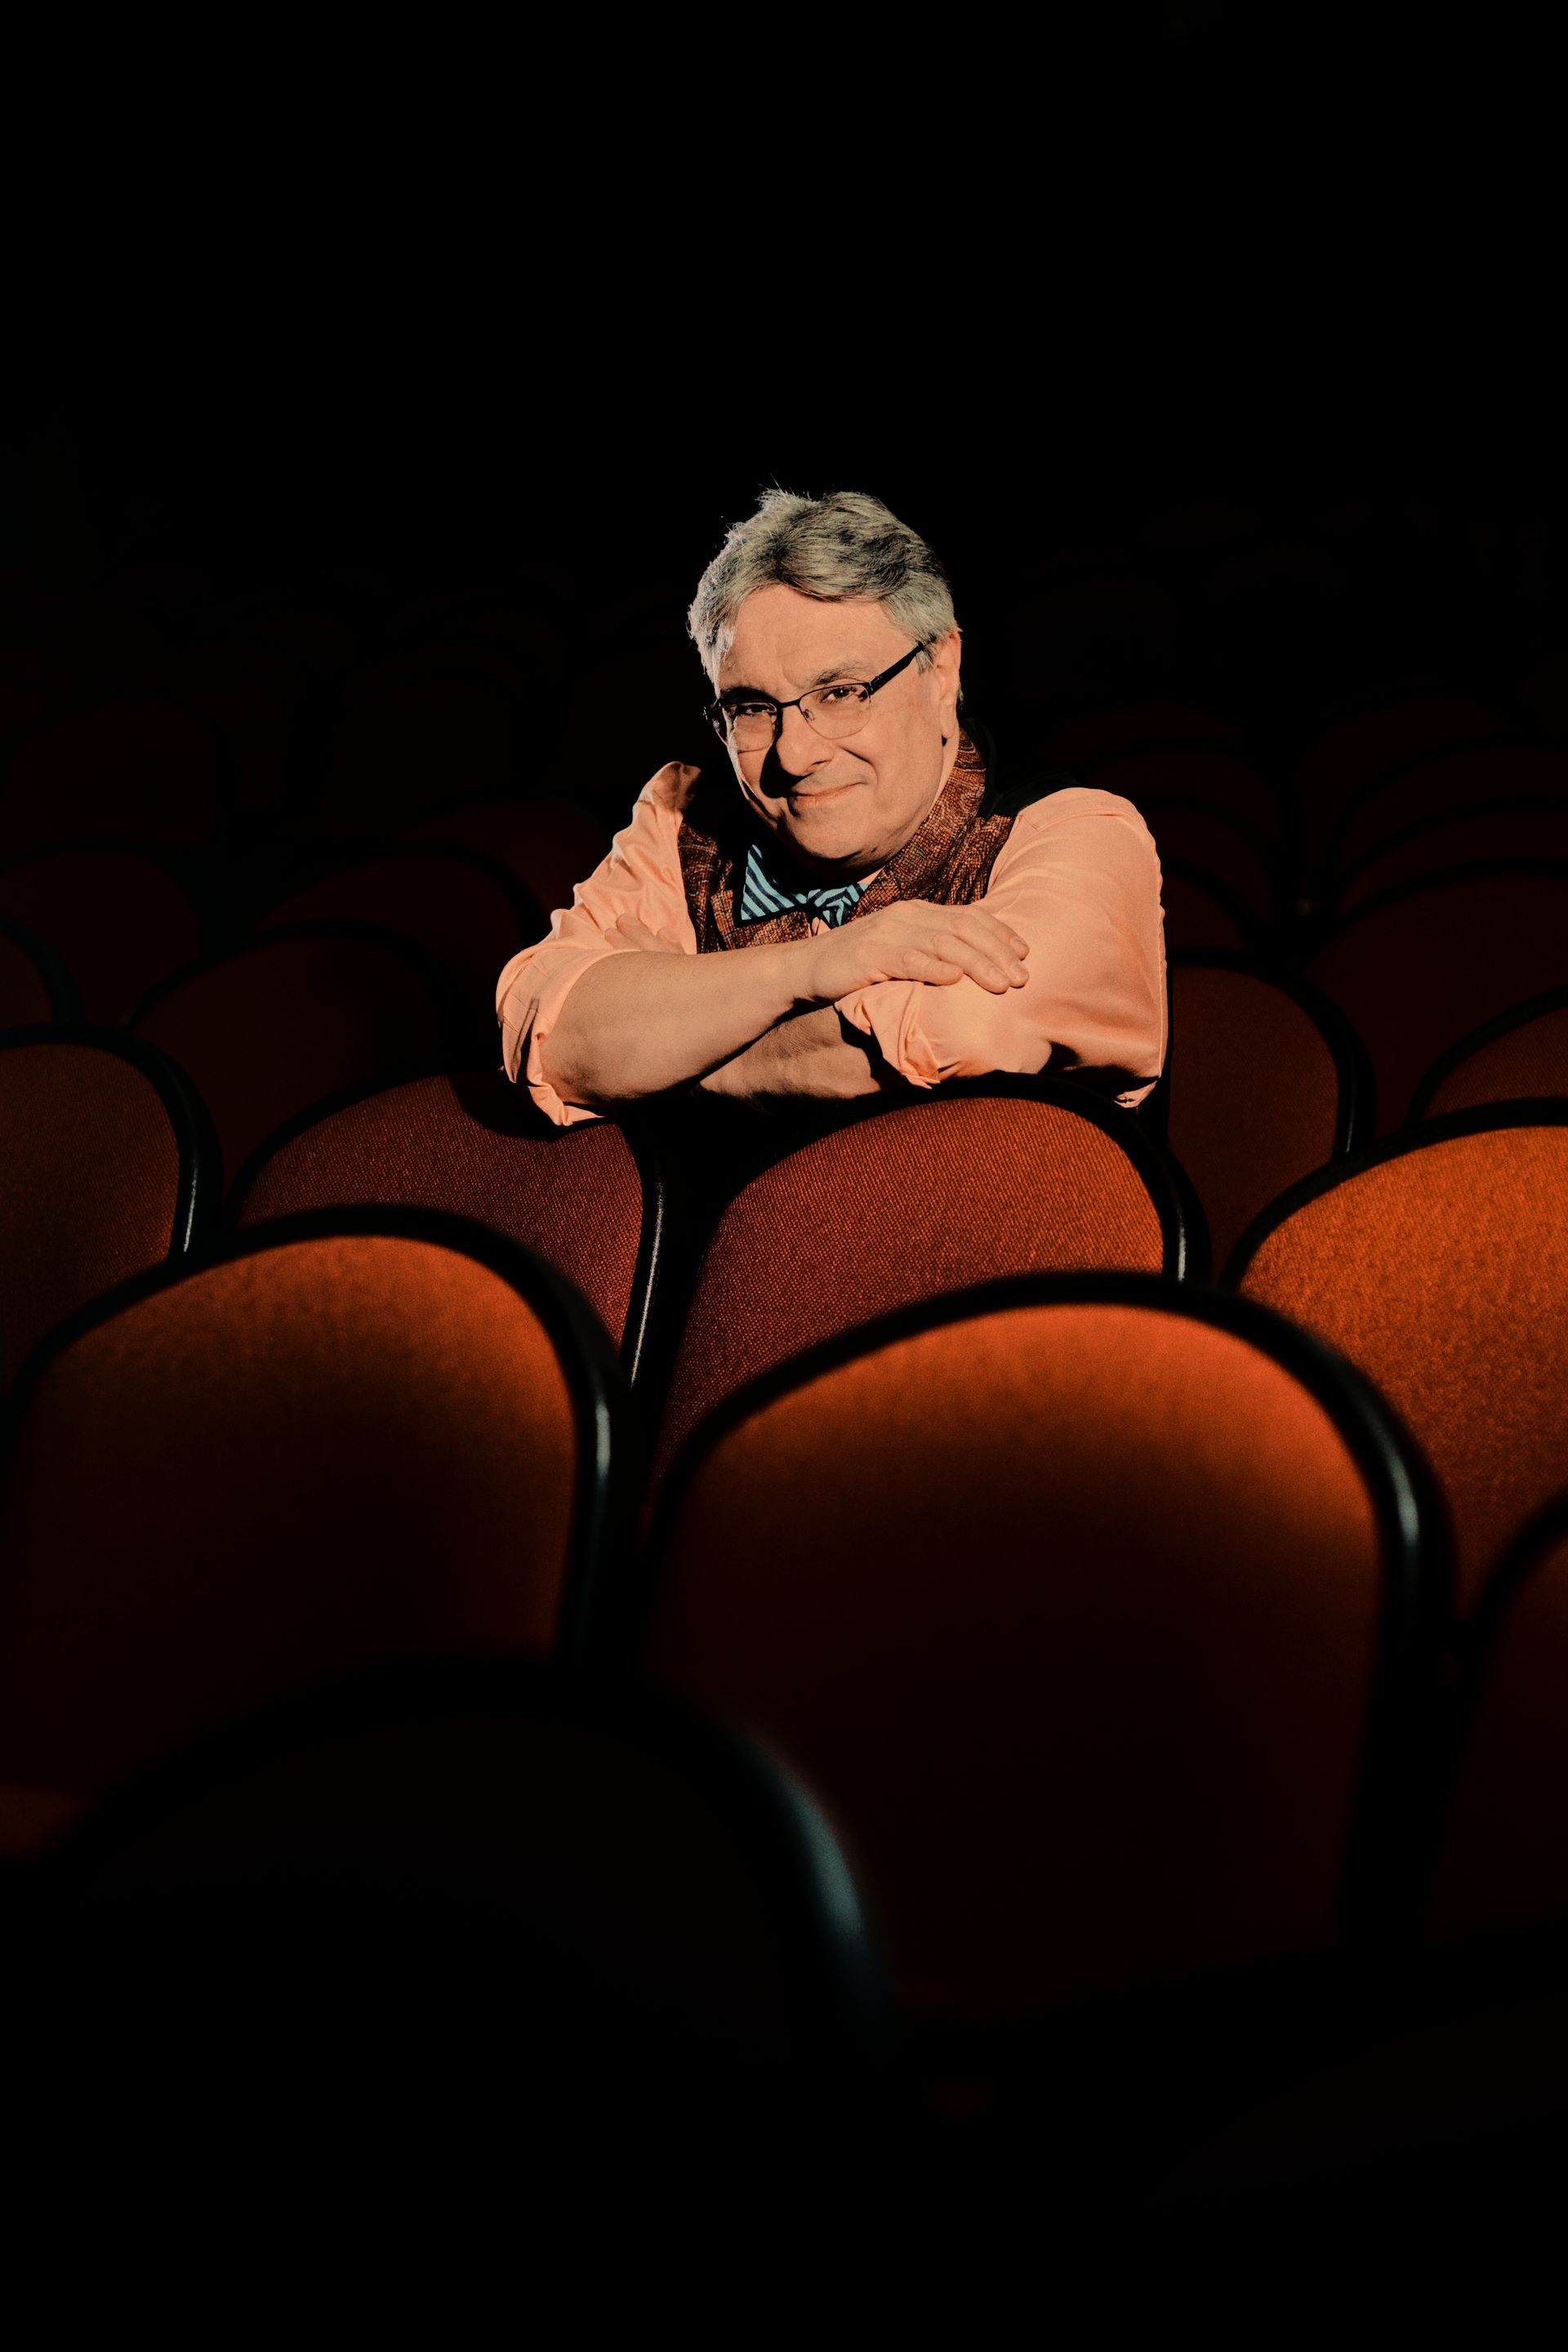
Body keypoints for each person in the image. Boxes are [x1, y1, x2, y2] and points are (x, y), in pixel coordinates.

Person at [496, 489, 1165, 1127]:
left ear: (942, 672)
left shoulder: (1078, 830)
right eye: (753, 708)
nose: (797, 753)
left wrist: (673, 1051)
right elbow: (549, 1030)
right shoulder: (682, 817)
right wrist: (814, 967)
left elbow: (962, 1027)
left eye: (841, 693)